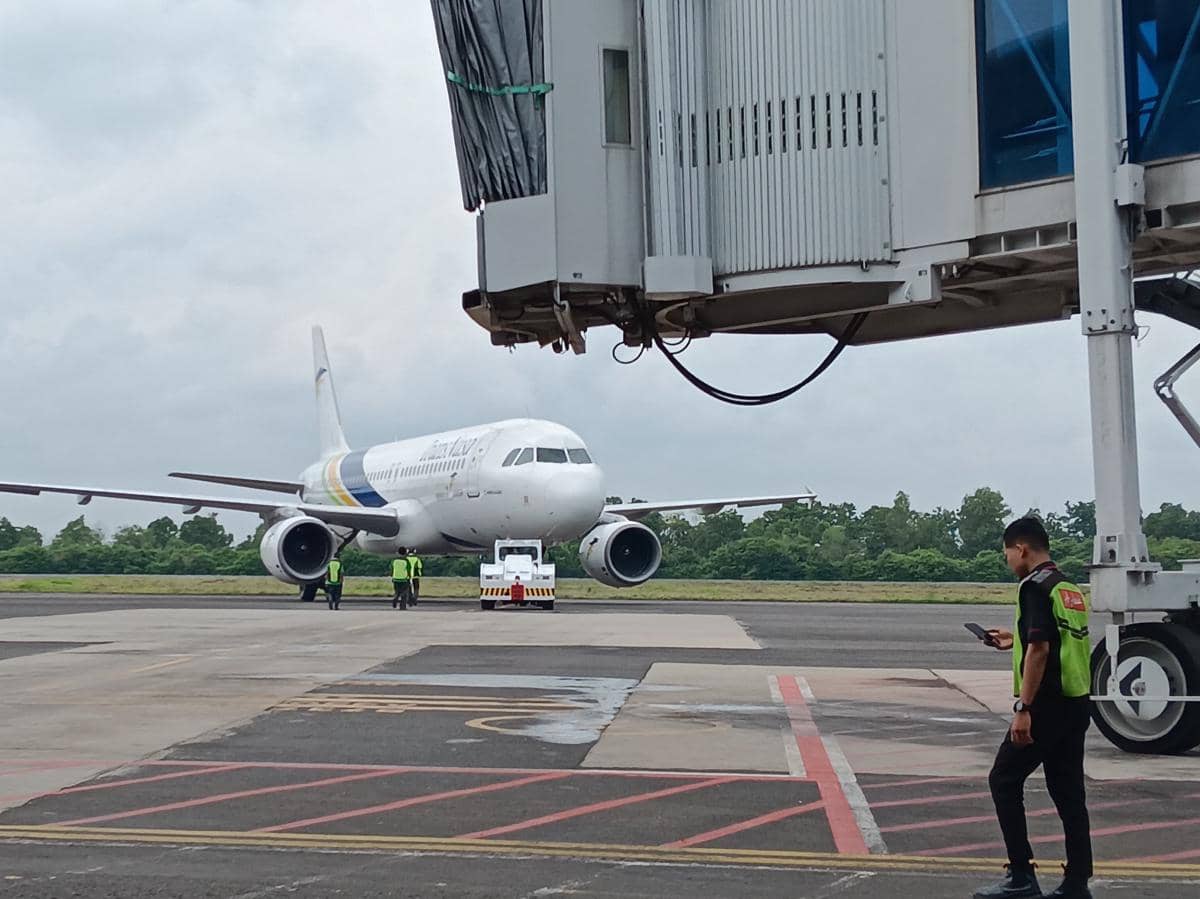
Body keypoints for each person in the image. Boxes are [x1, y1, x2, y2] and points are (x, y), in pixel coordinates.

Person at [973, 517, 1093, 899]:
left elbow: (1041, 650)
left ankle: (1022, 875)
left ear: (1021, 549)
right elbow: (1051, 642)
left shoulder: (1033, 587)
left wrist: (1023, 707)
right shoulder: (1067, 588)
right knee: (1068, 791)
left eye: (1007, 552)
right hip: (1076, 704)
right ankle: (1077, 882)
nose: (1008, 560)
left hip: (1046, 706)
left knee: (1003, 780)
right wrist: (1015, 641)